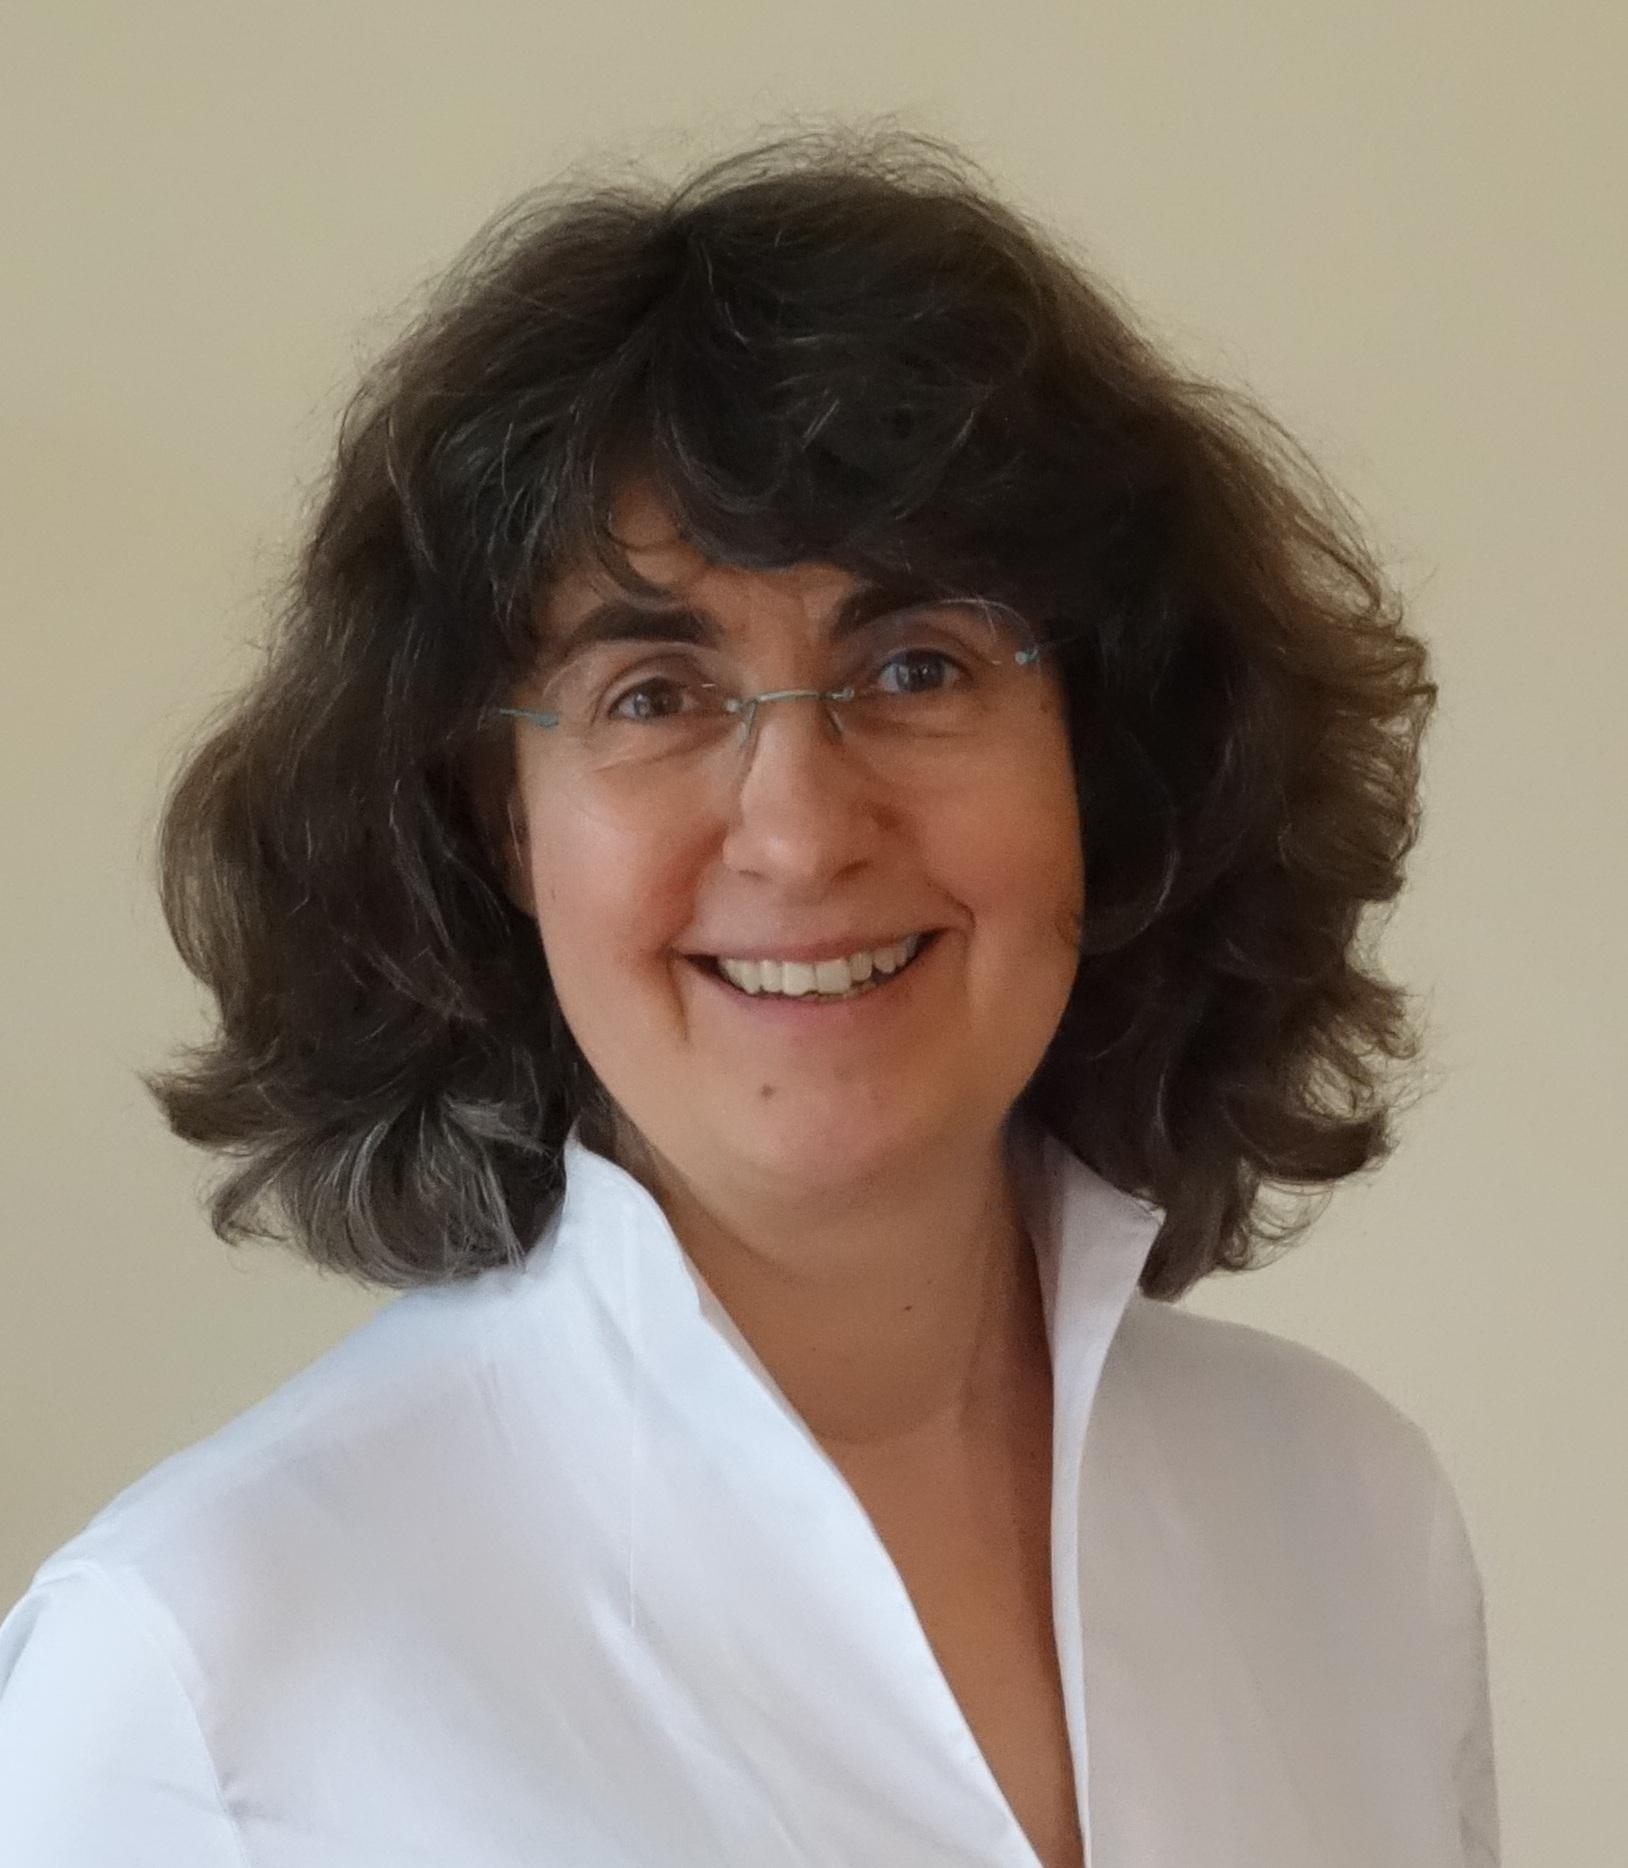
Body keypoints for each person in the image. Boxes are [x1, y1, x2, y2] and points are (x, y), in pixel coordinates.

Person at [0, 126, 1499, 1866]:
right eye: (651, 695)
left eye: (917, 665)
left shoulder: (1349, 1520)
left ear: (1107, 756)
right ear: (496, 820)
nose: (798, 831)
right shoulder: (199, 1678)